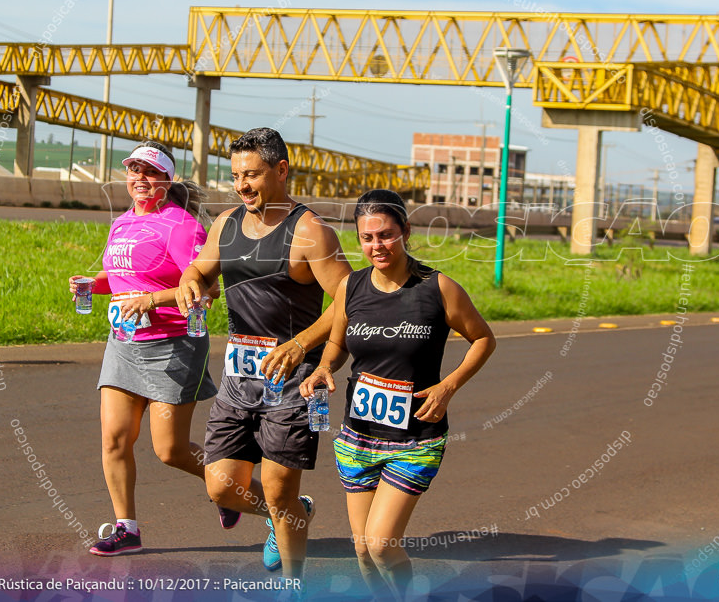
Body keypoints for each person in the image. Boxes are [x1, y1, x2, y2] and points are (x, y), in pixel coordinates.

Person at [300, 189, 496, 600]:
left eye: (386, 235)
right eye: (368, 238)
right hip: (357, 439)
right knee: (362, 550)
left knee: (381, 545)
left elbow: (482, 339)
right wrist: (322, 369)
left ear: (405, 231)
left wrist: (448, 385)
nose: (377, 246)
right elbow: (336, 347)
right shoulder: (351, 287)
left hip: (415, 439)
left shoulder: (437, 288)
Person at [175, 127, 352, 582]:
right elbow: (200, 266)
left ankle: (293, 586)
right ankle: (292, 515)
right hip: (239, 377)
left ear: (281, 170)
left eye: (251, 175)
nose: (242, 185)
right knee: (222, 487)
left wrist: (299, 345)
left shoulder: (310, 231)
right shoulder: (226, 223)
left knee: (277, 491)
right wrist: (189, 279)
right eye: (236, 176)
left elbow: (350, 301)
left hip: (292, 381)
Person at [67, 140, 219, 556]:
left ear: (167, 180)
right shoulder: (122, 223)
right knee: (114, 440)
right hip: (124, 343)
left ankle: (234, 487)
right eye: (134, 170)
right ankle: (127, 528)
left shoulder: (181, 225)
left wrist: (152, 301)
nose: (140, 179)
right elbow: (120, 280)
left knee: (170, 451)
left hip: (173, 345)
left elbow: (208, 290)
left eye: (150, 172)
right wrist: (91, 284)